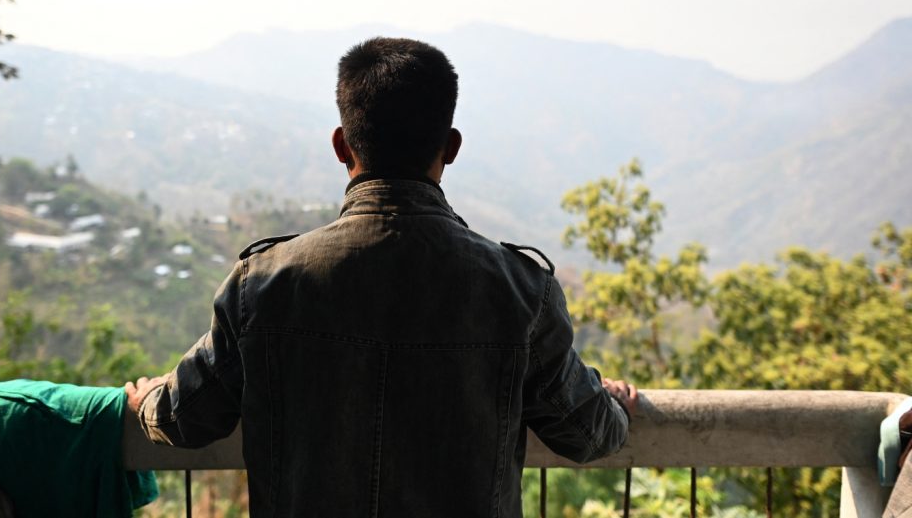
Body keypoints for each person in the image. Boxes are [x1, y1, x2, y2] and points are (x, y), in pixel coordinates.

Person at [126, 37, 637, 517]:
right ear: (451, 146)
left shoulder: (264, 285)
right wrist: (612, 402)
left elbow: (183, 417)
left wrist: (144, 397)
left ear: (341, 144)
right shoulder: (520, 292)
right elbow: (587, 434)